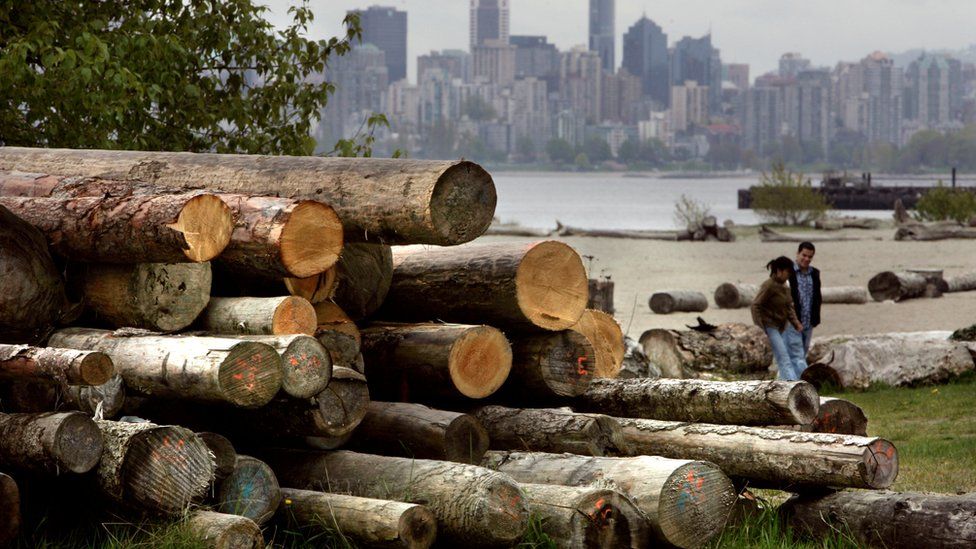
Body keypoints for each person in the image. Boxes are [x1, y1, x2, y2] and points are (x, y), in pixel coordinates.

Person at [751, 256, 808, 381]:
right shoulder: (769, 286)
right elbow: (756, 305)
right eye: (788, 272)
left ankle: (784, 382)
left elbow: (789, 307)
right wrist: (760, 328)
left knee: (786, 356)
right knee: (784, 358)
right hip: (769, 326)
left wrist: (796, 323)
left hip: (782, 326)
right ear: (779, 271)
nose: (789, 275)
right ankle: (793, 385)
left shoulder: (785, 287)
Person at [789, 241, 822, 355]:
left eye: (810, 257)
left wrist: (816, 317)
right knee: (793, 354)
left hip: (808, 322)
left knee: (803, 352)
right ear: (797, 253)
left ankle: (800, 373)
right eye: (804, 255)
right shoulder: (788, 272)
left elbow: (817, 297)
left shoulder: (814, 273)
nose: (807, 259)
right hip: (792, 322)